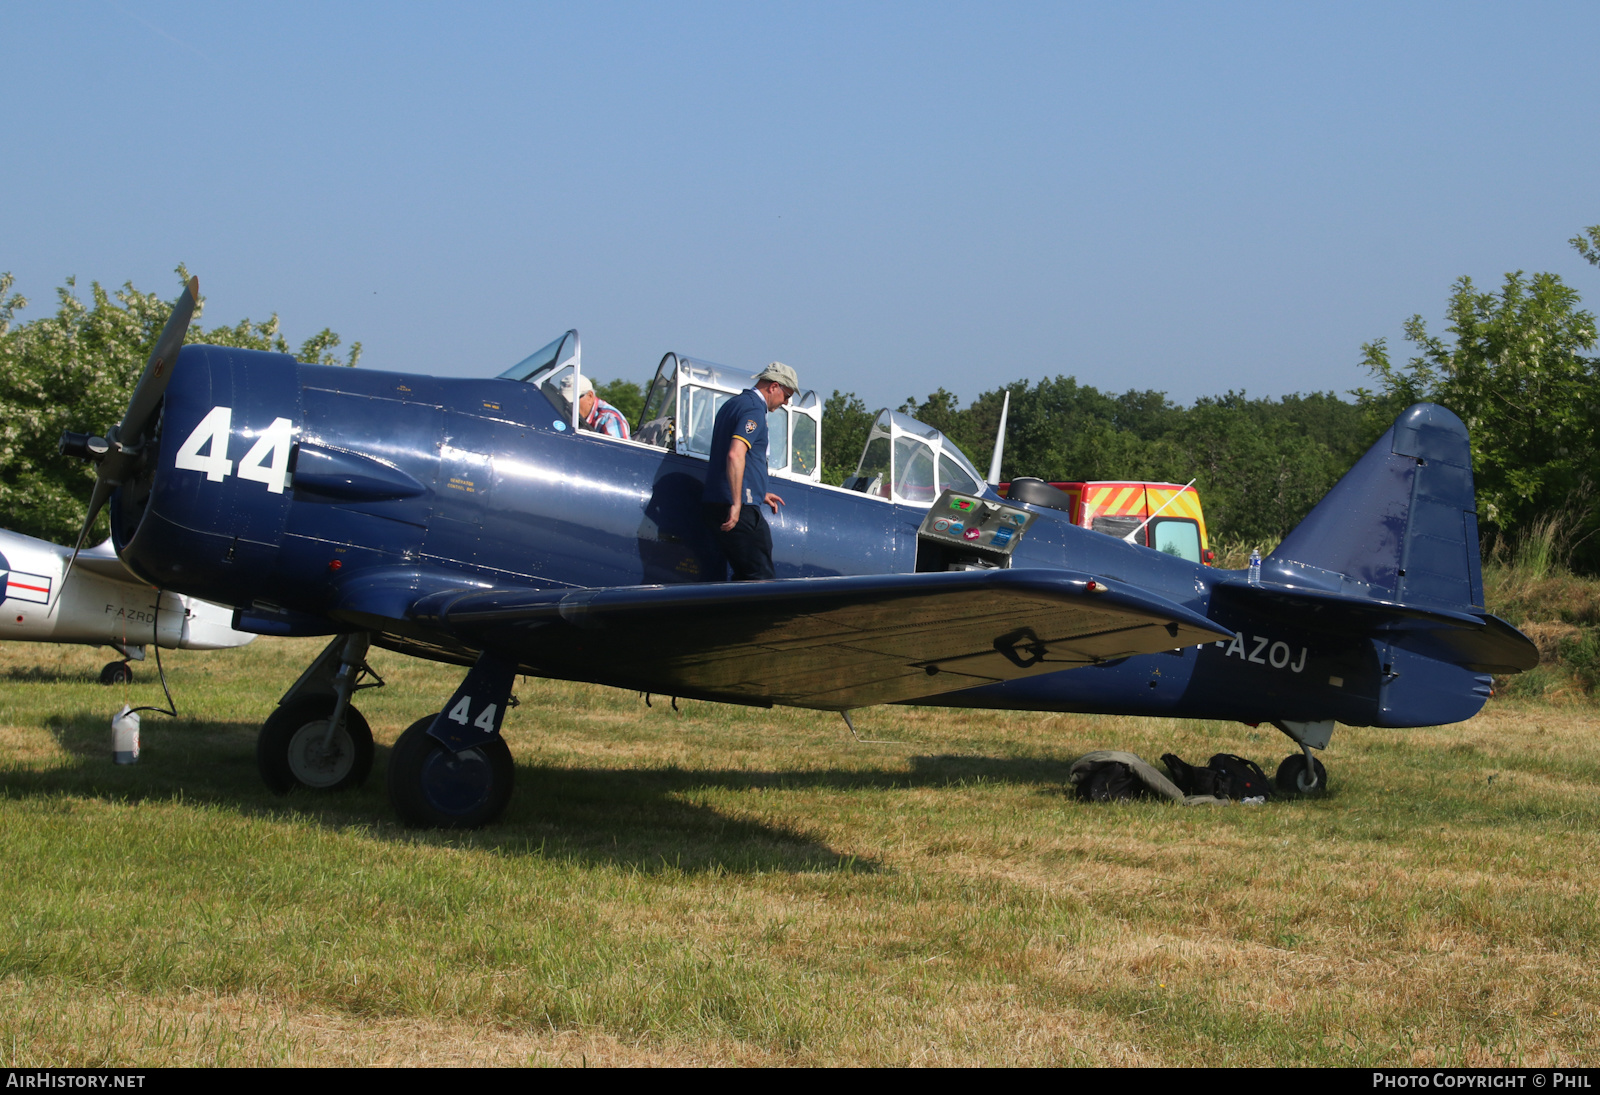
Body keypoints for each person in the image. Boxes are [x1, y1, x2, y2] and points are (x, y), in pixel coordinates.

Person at [702, 362, 798, 580]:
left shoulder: (733, 404)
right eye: (787, 395)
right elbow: (735, 454)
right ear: (774, 386)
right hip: (738, 507)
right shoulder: (754, 409)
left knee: (746, 573)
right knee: (759, 577)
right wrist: (737, 503)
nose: (786, 402)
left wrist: (757, 490)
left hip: (719, 500)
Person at [562, 374, 631, 440]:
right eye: (564, 401)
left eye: (572, 402)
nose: (568, 406)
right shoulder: (566, 416)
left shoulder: (611, 419)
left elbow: (617, 451)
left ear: (590, 396)